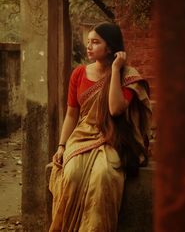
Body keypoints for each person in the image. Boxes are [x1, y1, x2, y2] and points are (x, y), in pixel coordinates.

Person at [49, 22, 152, 232]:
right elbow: (71, 114)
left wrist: (115, 69)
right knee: (71, 175)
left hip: (114, 137)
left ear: (111, 47)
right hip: (82, 135)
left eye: (95, 42)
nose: (89, 46)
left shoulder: (127, 75)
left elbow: (115, 110)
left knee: (104, 175)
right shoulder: (78, 74)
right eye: (88, 42)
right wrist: (61, 146)